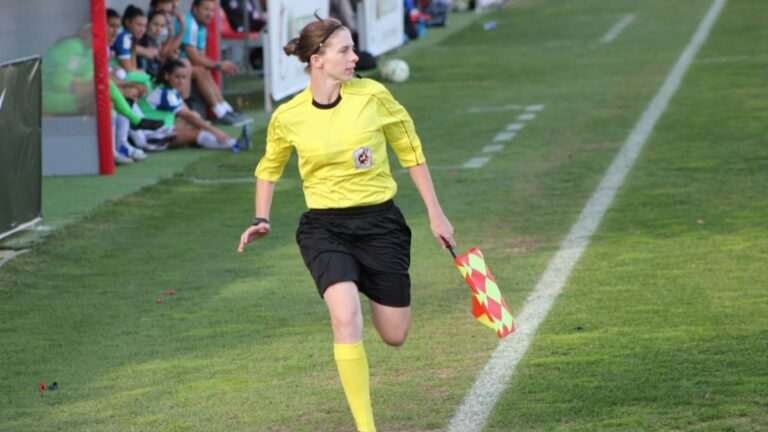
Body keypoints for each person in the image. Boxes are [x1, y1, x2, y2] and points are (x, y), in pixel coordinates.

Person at [236, 16, 455, 432]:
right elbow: (269, 168)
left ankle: (366, 282)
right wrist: (261, 217)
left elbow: (410, 151)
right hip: (324, 228)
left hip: (381, 224)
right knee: (345, 316)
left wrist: (435, 212)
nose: (355, 57)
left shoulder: (374, 96)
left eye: (353, 48)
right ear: (317, 59)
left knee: (394, 334)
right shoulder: (289, 115)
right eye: (345, 50)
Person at [141, 58, 247, 151]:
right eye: (177, 77)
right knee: (196, 131)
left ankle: (198, 141)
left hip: (154, 131)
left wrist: (202, 123)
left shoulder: (166, 89)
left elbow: (189, 114)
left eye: (184, 78)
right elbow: (188, 116)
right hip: (152, 137)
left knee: (195, 120)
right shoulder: (165, 94)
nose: (181, 81)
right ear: (167, 76)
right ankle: (234, 144)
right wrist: (216, 131)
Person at [180, 0, 251, 126]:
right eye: (206, 9)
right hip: (174, 65)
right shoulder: (189, 23)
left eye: (212, 10)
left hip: (184, 65)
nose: (210, 14)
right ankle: (220, 113)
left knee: (204, 70)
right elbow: (194, 57)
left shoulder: (201, 25)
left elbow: (200, 56)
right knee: (201, 71)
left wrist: (217, 65)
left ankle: (225, 109)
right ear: (195, 9)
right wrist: (219, 65)